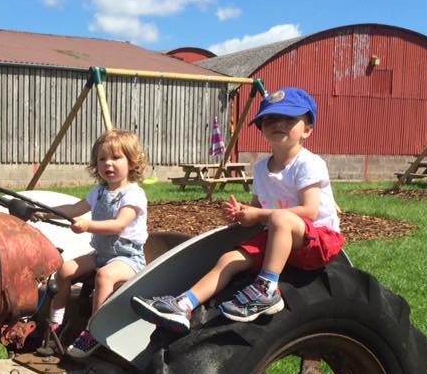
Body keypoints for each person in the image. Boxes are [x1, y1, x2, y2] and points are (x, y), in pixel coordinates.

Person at [131, 87, 344, 332]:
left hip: (318, 240)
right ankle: (184, 304)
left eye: (289, 118)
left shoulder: (308, 163)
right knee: (229, 259)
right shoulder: (263, 168)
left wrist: (261, 215)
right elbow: (257, 209)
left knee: (280, 218)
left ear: (307, 129)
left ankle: (266, 290)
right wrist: (242, 215)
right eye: (271, 119)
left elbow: (309, 211)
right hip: (279, 236)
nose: (278, 124)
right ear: (262, 129)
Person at [40, 129, 149, 358]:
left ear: (131, 163)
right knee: (64, 269)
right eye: (102, 159)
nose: (108, 164)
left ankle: (94, 332)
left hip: (128, 257)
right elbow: (73, 210)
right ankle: (55, 323)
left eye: (116, 158)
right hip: (101, 253)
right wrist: (45, 213)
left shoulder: (133, 194)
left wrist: (88, 226)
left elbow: (119, 225)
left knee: (104, 276)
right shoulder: (99, 192)